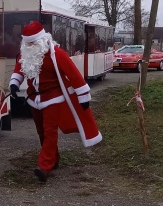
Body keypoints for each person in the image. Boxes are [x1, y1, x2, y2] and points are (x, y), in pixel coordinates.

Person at [9, 21, 102, 182]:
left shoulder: (57, 54)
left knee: (50, 131)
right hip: (34, 99)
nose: (29, 45)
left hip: (53, 97)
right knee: (41, 132)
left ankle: (44, 167)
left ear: (41, 40)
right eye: (27, 42)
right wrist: (14, 83)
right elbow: (20, 69)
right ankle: (54, 159)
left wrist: (83, 96)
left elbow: (73, 74)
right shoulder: (25, 54)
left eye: (32, 42)